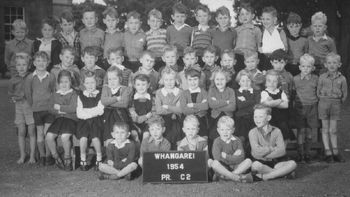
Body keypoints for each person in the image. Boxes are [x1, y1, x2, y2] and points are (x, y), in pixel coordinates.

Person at [249, 104, 297, 181]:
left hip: (275, 162)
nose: (257, 119)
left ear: (268, 118)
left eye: (260, 117)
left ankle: (266, 176)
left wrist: (263, 153)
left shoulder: (277, 131)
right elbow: (256, 152)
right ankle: (282, 173)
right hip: (260, 162)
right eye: (255, 116)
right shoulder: (252, 132)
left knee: (293, 163)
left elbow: (282, 151)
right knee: (256, 165)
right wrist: (272, 149)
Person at [25, 51, 56, 166]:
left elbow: (54, 91)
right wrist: (33, 105)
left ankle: (48, 156)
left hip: (49, 110)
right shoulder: (30, 78)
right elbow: (28, 93)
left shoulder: (51, 76)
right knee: (40, 134)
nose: (41, 63)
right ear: (34, 63)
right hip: (37, 110)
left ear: (48, 63)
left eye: (44, 61)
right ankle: (42, 155)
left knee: (47, 133)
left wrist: (52, 105)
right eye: (38, 61)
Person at [317, 53, 347, 163]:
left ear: (339, 64)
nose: (332, 65)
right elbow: (318, 91)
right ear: (325, 64)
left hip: (335, 106)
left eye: (334, 63)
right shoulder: (322, 77)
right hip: (323, 105)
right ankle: (327, 151)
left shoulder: (342, 79)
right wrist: (324, 99)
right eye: (329, 63)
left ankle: (335, 151)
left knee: (333, 130)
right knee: (325, 128)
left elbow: (344, 94)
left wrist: (337, 101)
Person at [46, 70, 78, 171]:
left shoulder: (74, 94)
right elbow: (50, 108)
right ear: (58, 83)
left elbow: (73, 108)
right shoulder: (55, 94)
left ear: (71, 82)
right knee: (49, 136)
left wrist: (59, 107)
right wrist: (60, 112)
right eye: (61, 82)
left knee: (65, 137)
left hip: (70, 120)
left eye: (66, 82)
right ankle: (56, 157)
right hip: (59, 119)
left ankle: (67, 157)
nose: (64, 84)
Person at [8, 53, 35, 164]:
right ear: (15, 66)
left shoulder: (32, 77)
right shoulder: (13, 80)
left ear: (28, 66)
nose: (21, 67)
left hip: (30, 107)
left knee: (32, 131)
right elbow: (10, 95)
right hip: (19, 107)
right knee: (21, 131)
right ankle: (23, 155)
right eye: (19, 65)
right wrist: (14, 98)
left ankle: (33, 156)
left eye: (24, 64)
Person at [76, 72, 105, 171]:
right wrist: (93, 111)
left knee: (95, 138)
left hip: (96, 121)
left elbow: (100, 110)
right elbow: (79, 113)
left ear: (96, 82)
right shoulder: (80, 95)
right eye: (87, 83)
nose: (90, 85)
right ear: (84, 84)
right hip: (83, 122)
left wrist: (87, 112)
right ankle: (83, 159)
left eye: (92, 82)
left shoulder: (100, 95)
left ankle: (99, 158)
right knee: (83, 138)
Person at [293, 54, 319, 163]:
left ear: (312, 68)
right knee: (301, 131)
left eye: (308, 67)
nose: (305, 69)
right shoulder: (295, 79)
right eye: (303, 66)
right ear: (299, 67)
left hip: (312, 107)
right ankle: (300, 154)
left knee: (309, 131)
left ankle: (307, 153)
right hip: (300, 108)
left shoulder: (316, 79)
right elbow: (292, 93)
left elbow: (318, 92)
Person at [211, 116, 253, 182]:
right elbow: (217, 158)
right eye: (222, 130)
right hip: (223, 167)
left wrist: (226, 156)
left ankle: (228, 177)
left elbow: (241, 157)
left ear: (233, 130)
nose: (225, 132)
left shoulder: (237, 140)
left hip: (236, 167)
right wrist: (234, 156)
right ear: (218, 130)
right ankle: (236, 177)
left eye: (228, 129)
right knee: (214, 163)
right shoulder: (217, 141)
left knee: (248, 161)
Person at [101, 67, 132, 145]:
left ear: (120, 79)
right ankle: (109, 154)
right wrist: (116, 98)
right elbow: (103, 101)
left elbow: (124, 104)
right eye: (109, 79)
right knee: (108, 137)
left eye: (114, 79)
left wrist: (109, 102)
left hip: (121, 114)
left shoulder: (124, 89)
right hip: (108, 116)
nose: (112, 81)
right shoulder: (106, 88)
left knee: (121, 136)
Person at [155, 67, 183, 149]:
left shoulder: (180, 92)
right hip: (164, 120)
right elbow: (159, 110)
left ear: (176, 80)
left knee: (177, 132)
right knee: (166, 136)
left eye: (171, 79)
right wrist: (174, 108)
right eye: (166, 80)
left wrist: (167, 106)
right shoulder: (159, 92)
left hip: (178, 120)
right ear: (163, 80)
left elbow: (180, 110)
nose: (169, 82)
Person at [260, 70, 291, 141]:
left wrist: (272, 102)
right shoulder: (264, 92)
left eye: (275, 81)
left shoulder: (281, 92)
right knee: (271, 138)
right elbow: (267, 104)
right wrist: (279, 100)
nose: (272, 83)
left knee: (284, 137)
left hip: (282, 119)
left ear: (278, 83)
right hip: (271, 120)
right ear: (265, 83)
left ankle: (282, 151)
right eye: (269, 81)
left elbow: (285, 105)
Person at [234, 70, 260, 150]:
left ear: (251, 81)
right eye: (243, 81)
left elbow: (257, 105)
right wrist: (252, 101)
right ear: (239, 82)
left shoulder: (256, 92)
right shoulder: (236, 92)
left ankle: (252, 154)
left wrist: (244, 101)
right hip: (240, 119)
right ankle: (242, 153)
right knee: (242, 136)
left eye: (248, 80)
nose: (245, 83)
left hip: (253, 118)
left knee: (254, 137)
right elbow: (239, 106)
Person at [208, 68, 236, 142]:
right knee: (214, 138)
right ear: (214, 80)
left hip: (229, 118)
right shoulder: (212, 90)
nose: (219, 82)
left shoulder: (230, 91)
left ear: (226, 80)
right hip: (215, 119)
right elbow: (211, 104)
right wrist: (226, 102)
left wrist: (217, 105)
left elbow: (232, 107)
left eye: (222, 79)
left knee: (228, 139)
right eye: (217, 79)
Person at [180, 68, 208, 137]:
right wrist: (199, 107)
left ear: (199, 80)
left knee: (202, 140)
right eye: (190, 80)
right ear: (186, 80)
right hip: (188, 122)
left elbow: (206, 106)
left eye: (195, 79)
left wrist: (192, 105)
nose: (193, 82)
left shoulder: (203, 92)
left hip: (201, 121)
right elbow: (184, 110)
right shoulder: (184, 93)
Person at [259, 6, 288, 71]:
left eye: (268, 19)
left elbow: (285, 48)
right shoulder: (262, 32)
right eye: (263, 19)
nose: (265, 21)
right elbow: (260, 47)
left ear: (274, 20)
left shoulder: (280, 31)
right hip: (265, 62)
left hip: (278, 62)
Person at [129, 74, 154, 140]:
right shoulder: (131, 99)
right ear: (134, 86)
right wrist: (146, 117)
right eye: (138, 85)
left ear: (148, 85)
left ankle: (144, 149)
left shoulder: (152, 98)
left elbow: (153, 112)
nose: (141, 87)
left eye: (143, 84)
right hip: (135, 123)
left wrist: (149, 118)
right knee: (135, 134)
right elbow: (134, 118)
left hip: (148, 123)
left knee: (146, 135)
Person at [285, 12, 308, 76]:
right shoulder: (285, 40)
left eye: (296, 26)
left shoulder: (305, 40)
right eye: (291, 27)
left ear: (300, 25)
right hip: (288, 67)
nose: (294, 29)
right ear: (287, 26)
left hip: (301, 67)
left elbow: (306, 54)